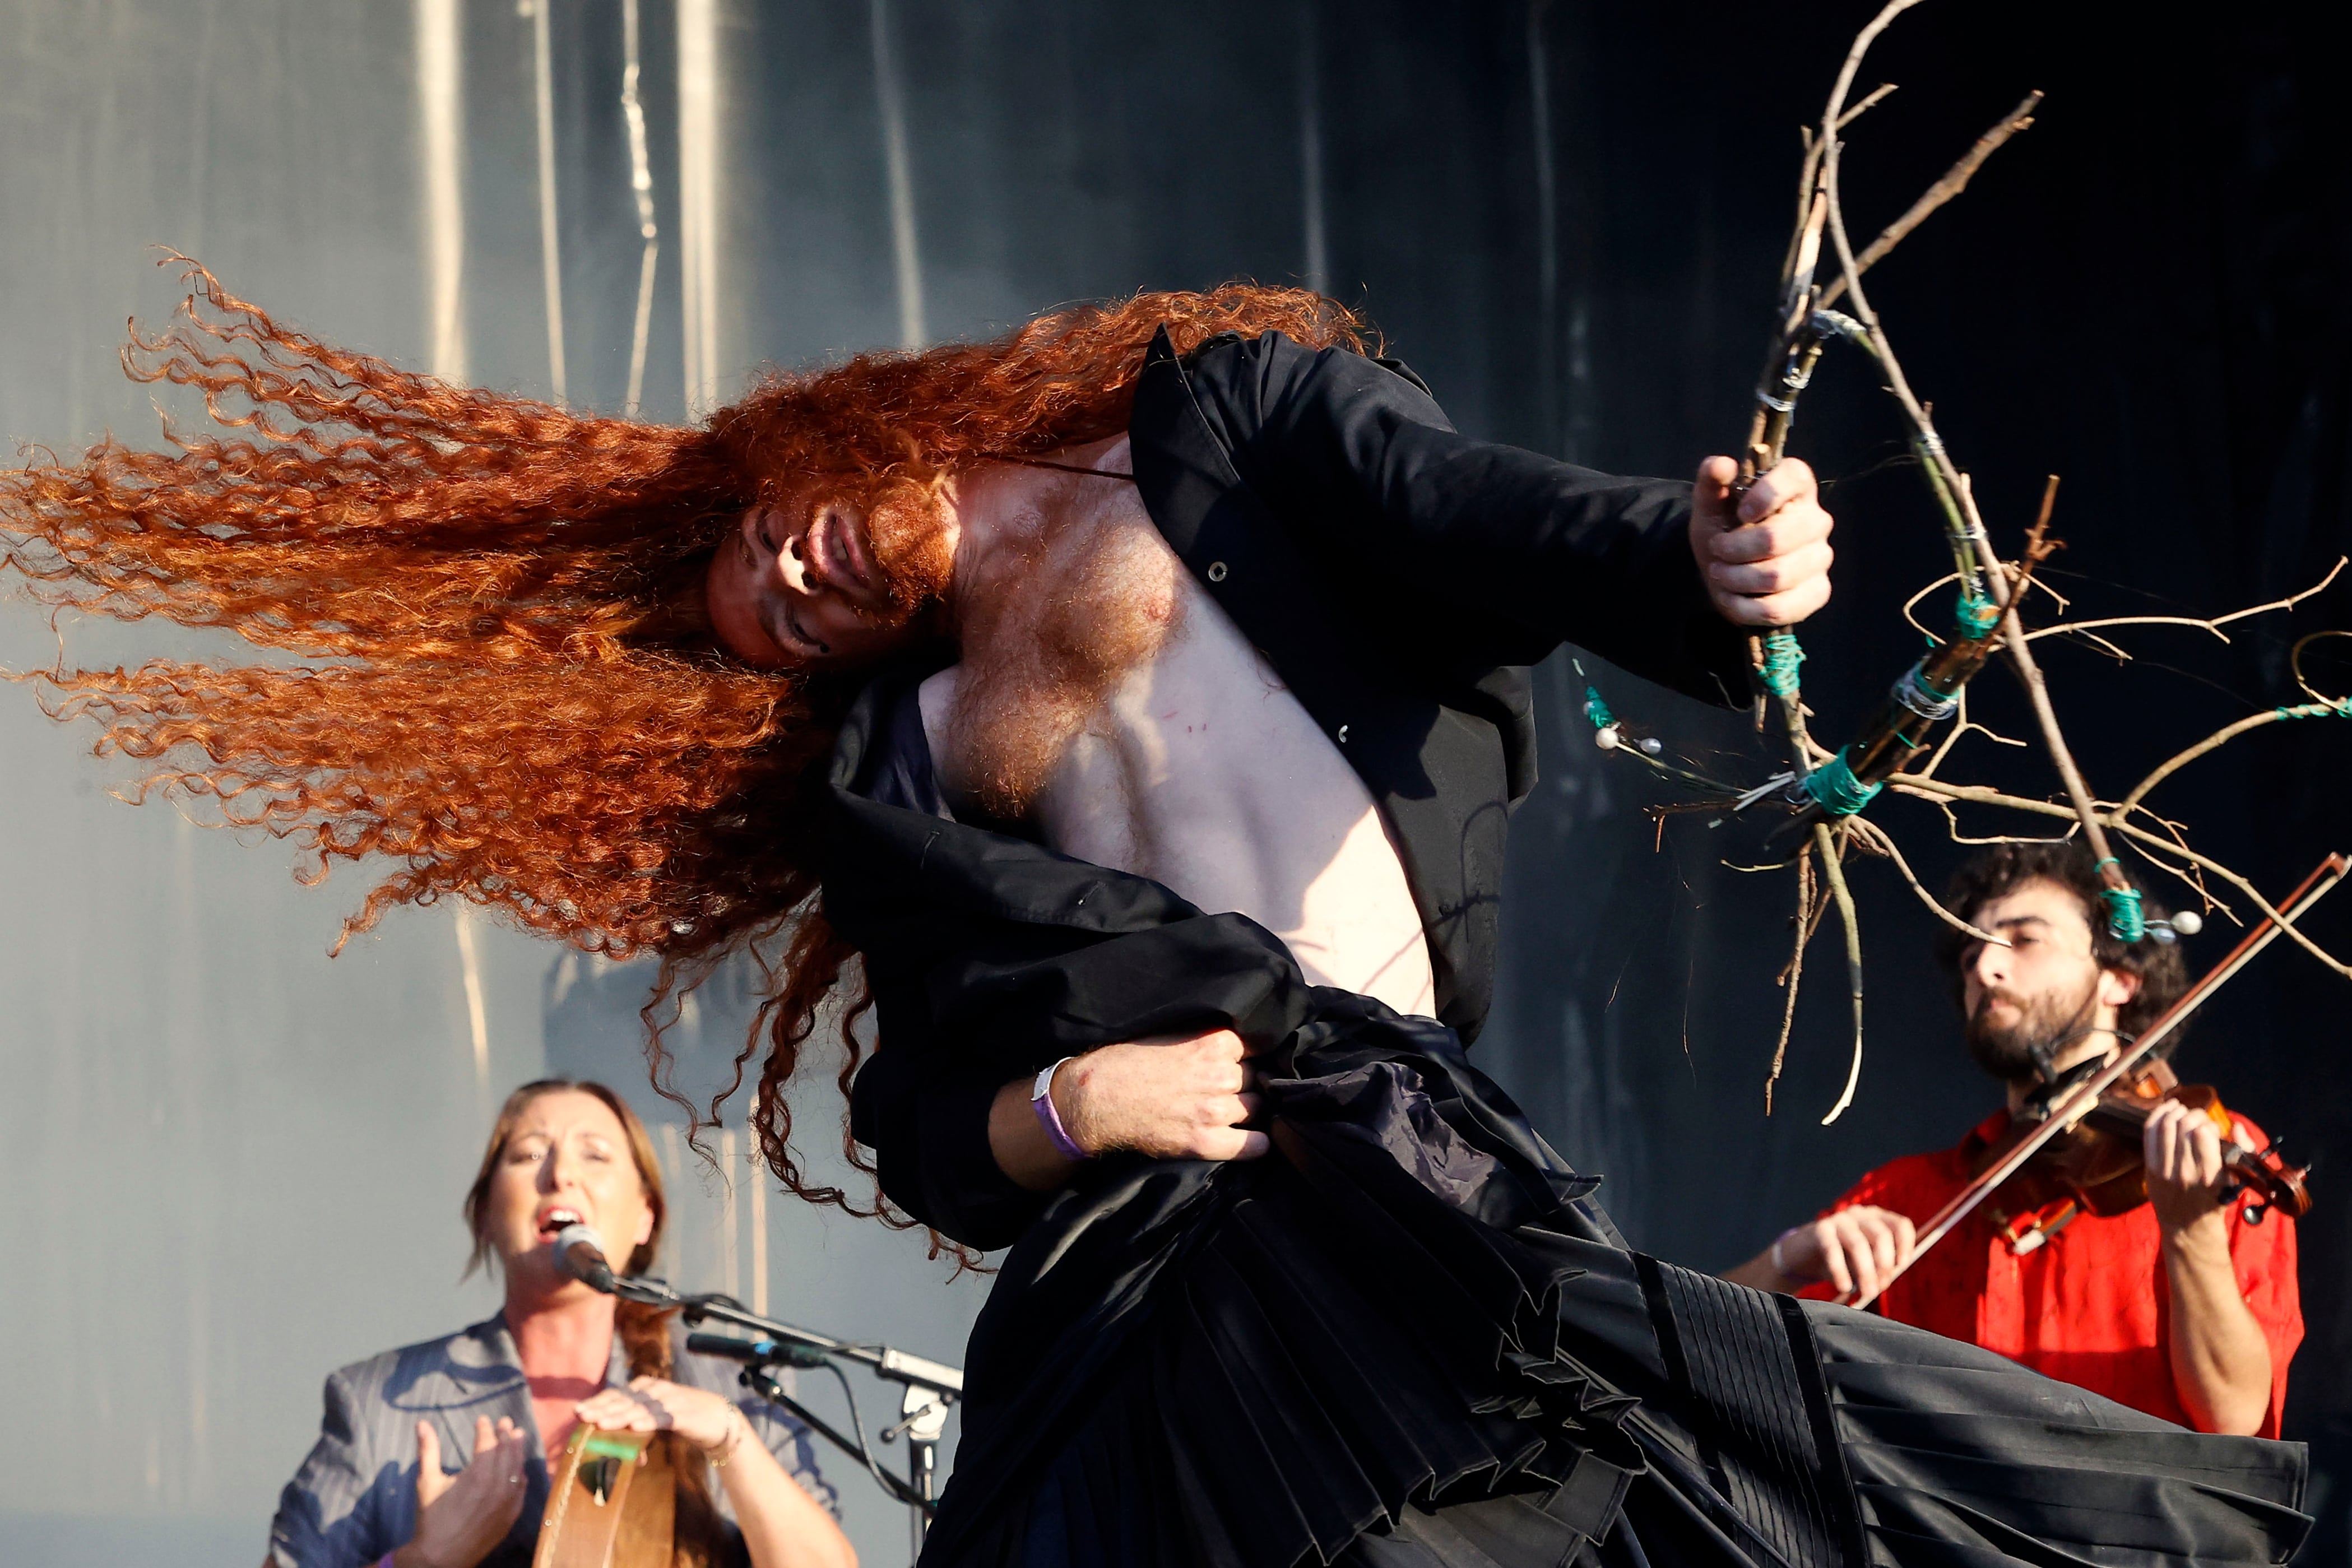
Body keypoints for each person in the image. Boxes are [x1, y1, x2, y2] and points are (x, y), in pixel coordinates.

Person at [7, 270, 2308, 1567]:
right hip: (1142, 1226)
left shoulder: (1200, 424)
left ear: (832, 429)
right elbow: (927, 1121)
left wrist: (1695, 568)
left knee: (1632, 1519)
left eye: (778, 532)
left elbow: (1481, 521)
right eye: (759, 625)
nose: (792, 590)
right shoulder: (886, 774)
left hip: (1376, 1150)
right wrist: (1056, 1098)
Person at [1725, 843, 2304, 1437]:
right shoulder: (1909, 1195)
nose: (1984, 967)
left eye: (2024, 939)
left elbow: (2234, 1420)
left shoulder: (2212, 1154)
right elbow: (1706, 1344)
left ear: (2121, 979)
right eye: (1974, 950)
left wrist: (2192, 1233)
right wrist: (1790, 1257)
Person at [267, 1079, 855, 1568]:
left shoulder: (728, 1382)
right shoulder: (379, 1402)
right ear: (485, 1217)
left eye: (595, 1154)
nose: (561, 1174)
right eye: (527, 1154)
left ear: (645, 1215)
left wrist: (733, 1439)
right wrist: (422, 1560)